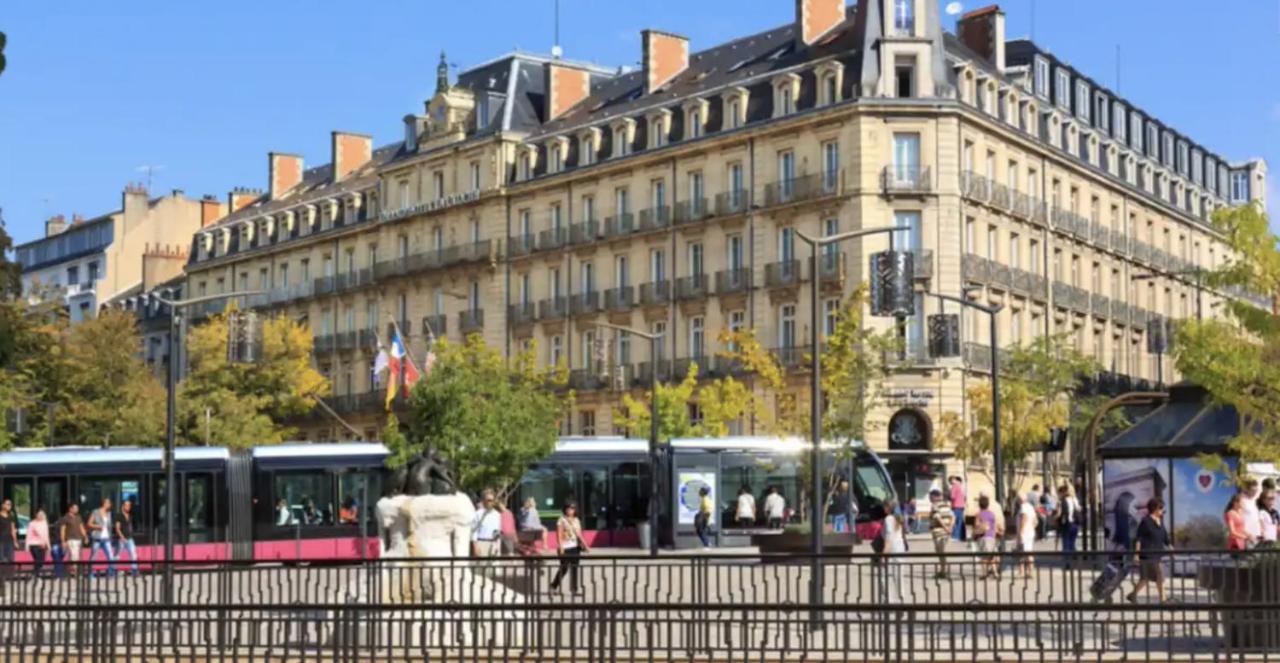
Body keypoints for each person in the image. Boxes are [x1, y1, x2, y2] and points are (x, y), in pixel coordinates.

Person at [1128, 498, 1171, 604]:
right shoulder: (1145, 521)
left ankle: (1132, 595)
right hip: (1147, 554)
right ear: (1155, 509)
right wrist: (1137, 555)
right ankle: (1163, 600)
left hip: (1157, 554)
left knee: (1146, 578)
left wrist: (1171, 548)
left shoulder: (1161, 522)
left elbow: (1165, 538)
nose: (1162, 510)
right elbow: (1139, 539)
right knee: (1159, 575)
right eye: (1160, 508)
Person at [550, 502, 588, 594]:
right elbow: (559, 534)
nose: (570, 510)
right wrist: (561, 546)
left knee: (574, 568)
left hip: (575, 547)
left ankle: (574, 589)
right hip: (565, 547)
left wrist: (585, 544)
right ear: (565, 509)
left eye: (572, 508)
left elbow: (579, 533)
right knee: (564, 568)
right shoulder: (561, 520)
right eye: (568, 508)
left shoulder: (576, 520)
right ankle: (554, 586)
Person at [879, 498, 906, 602]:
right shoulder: (899, 518)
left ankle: (888, 600)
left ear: (888, 507)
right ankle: (901, 599)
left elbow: (888, 538)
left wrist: (883, 554)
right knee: (899, 577)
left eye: (884, 506)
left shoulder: (889, 519)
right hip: (900, 549)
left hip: (891, 550)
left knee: (885, 577)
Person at [928, 488, 955, 579]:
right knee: (943, 552)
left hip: (938, 532)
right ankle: (943, 570)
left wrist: (946, 528)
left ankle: (943, 571)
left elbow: (937, 518)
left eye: (930, 496)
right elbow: (953, 516)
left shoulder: (934, 506)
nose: (929, 498)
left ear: (934, 497)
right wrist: (950, 527)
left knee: (941, 553)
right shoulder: (946, 505)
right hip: (946, 532)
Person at [86, 498, 117, 577]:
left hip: (106, 538)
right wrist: (97, 526)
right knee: (93, 556)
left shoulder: (109, 513)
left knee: (110, 556)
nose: (110, 505)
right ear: (104, 503)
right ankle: (91, 574)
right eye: (109, 503)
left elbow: (109, 526)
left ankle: (111, 573)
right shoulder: (95, 512)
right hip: (97, 538)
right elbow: (89, 523)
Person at [470, 490, 503, 558]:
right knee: (480, 567)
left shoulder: (497, 515)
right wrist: (475, 546)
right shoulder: (478, 514)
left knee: (495, 568)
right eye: (488, 500)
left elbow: (497, 531)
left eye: (492, 500)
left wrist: (497, 545)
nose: (490, 502)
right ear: (484, 501)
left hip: (493, 544)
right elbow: (474, 531)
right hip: (481, 543)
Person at [974, 495, 1001, 579]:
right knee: (991, 556)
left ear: (979, 504)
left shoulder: (979, 514)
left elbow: (977, 525)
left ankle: (984, 573)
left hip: (983, 537)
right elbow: (995, 525)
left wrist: (975, 533)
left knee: (984, 556)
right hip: (992, 536)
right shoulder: (992, 514)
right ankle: (995, 573)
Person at [57, 504, 85, 578]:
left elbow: (81, 527)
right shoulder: (65, 518)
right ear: (70, 509)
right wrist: (63, 540)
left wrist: (85, 536)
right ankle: (75, 573)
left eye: (77, 508)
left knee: (77, 556)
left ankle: (68, 570)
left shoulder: (78, 517)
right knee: (74, 556)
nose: (77, 509)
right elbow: (62, 530)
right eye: (75, 508)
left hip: (79, 539)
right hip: (71, 539)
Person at [114, 499, 140, 576]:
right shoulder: (119, 515)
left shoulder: (130, 516)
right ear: (123, 506)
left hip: (130, 538)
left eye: (129, 505)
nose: (128, 507)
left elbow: (131, 526)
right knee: (117, 556)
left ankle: (134, 571)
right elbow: (117, 528)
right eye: (126, 505)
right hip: (121, 539)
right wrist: (122, 537)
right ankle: (113, 570)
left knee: (133, 554)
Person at [1016, 493, 1038, 579]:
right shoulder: (1030, 507)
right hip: (1030, 532)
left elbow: (1023, 519)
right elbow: (1036, 521)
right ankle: (1030, 571)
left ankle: (1021, 571)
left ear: (1019, 500)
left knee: (1021, 552)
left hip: (1024, 533)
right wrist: (1031, 527)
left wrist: (1021, 532)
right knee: (1029, 552)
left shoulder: (1023, 508)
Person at [1056, 484, 1081, 553]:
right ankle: (1074, 559)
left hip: (1066, 524)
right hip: (1075, 524)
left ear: (1065, 491)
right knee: (1072, 542)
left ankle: (1067, 561)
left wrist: (1054, 518)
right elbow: (1079, 509)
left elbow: (1059, 514)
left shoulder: (1062, 501)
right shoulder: (1075, 500)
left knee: (1066, 543)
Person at [26, 508, 49, 579]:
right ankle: (36, 575)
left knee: (42, 561)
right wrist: (27, 545)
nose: (41, 516)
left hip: (43, 544)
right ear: (36, 515)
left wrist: (48, 545)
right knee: (37, 559)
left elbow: (46, 535)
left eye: (42, 514)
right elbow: (28, 535)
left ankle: (34, 573)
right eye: (39, 514)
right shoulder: (32, 523)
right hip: (34, 544)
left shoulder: (44, 523)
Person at [1240, 479, 1263, 543]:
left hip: (1256, 535)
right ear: (1246, 489)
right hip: (1246, 536)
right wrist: (1248, 535)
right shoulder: (1241, 500)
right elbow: (1239, 520)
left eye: (1256, 490)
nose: (1255, 492)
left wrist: (1261, 530)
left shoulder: (1254, 499)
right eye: (1253, 490)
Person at [0, 499, 16, 580]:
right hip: (1, 540)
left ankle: (9, 576)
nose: (9, 506)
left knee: (11, 558)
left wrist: (15, 541)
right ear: (3, 505)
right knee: (1, 559)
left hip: (9, 540)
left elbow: (13, 529)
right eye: (7, 504)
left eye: (10, 504)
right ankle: (2, 576)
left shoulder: (11, 516)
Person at [949, 476, 967, 541]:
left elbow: (952, 497)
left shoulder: (954, 486)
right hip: (962, 506)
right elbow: (964, 497)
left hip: (956, 506)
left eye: (950, 481)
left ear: (953, 480)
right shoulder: (962, 487)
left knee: (955, 521)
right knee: (960, 521)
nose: (950, 483)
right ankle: (962, 536)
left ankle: (955, 536)